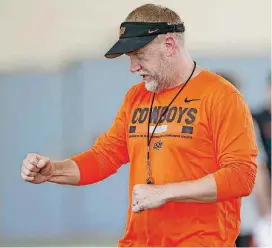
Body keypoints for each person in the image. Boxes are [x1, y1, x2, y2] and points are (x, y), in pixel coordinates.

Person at [21, 4, 258, 247]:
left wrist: (165, 192)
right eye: (130, 58)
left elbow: (242, 176)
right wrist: (54, 171)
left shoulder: (222, 96)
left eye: (139, 56)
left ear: (169, 45)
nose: (132, 67)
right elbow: (105, 156)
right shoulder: (136, 97)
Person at [216, 72, 271, 247]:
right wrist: (266, 210)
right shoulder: (246, 122)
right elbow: (258, 171)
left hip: (212, 220)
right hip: (240, 218)